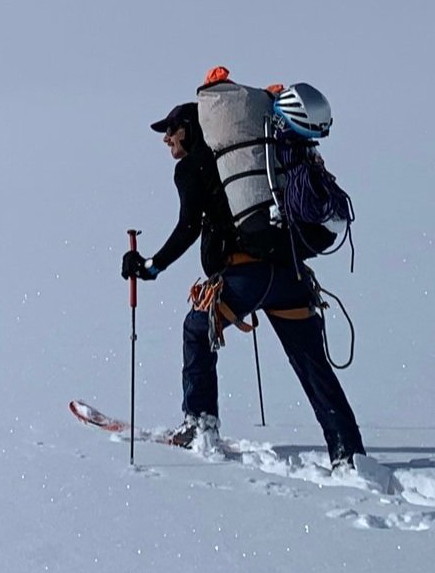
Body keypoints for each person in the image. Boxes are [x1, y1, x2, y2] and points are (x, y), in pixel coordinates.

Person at [121, 101, 367, 464]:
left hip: (244, 277)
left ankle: (199, 425)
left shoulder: (193, 167)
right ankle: (347, 451)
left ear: (189, 128)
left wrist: (152, 266)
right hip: (289, 274)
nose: (167, 139)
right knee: (311, 363)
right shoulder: (248, 160)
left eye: (171, 130)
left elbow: (189, 226)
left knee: (196, 328)